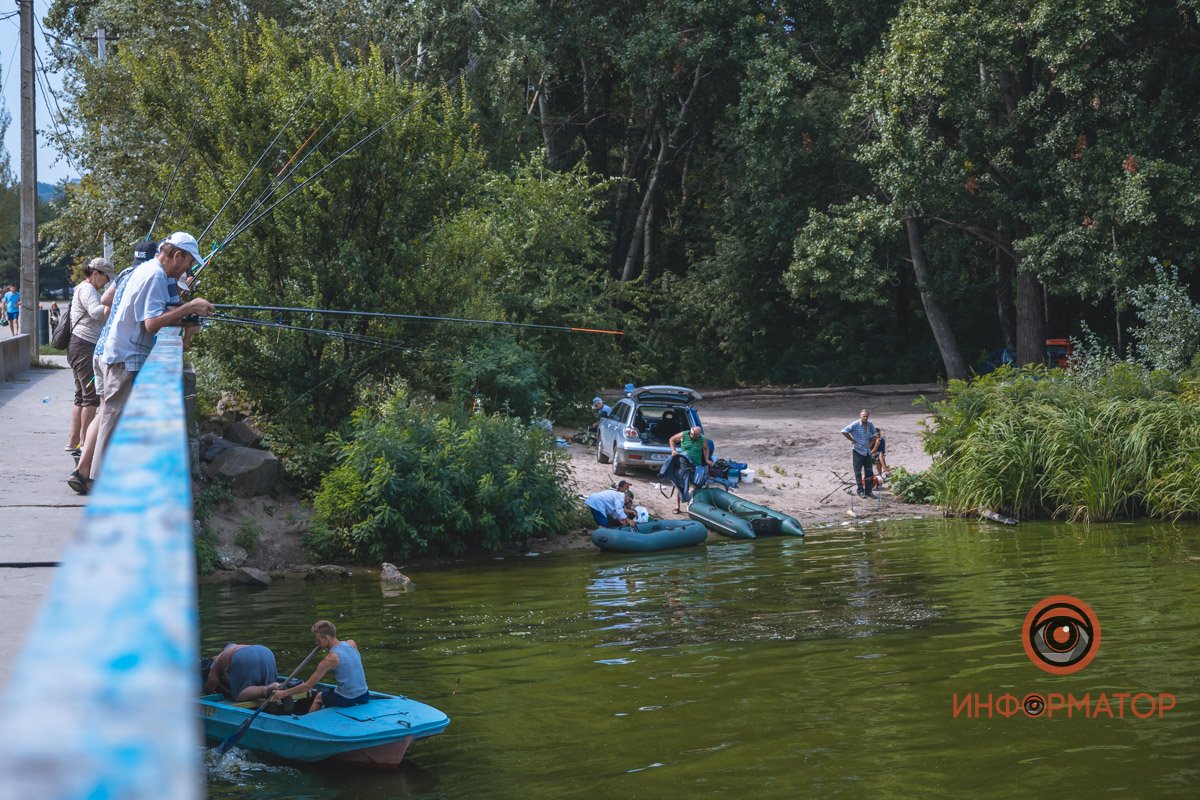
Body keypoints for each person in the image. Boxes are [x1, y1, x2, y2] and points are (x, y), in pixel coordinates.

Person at [93, 232, 213, 478]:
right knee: (114, 423)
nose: (186, 271)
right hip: (125, 358)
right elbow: (151, 323)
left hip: (122, 354)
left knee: (113, 421)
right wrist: (190, 307)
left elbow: (157, 311)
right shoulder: (156, 276)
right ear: (177, 255)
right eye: (189, 263)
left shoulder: (148, 269)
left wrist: (186, 316)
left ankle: (100, 479)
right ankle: (100, 481)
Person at [65, 258, 114, 458]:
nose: (106, 282)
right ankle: (84, 443)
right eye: (106, 278)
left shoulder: (86, 289)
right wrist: (114, 305)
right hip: (84, 346)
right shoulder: (87, 290)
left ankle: (73, 441)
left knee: (81, 396)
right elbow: (95, 312)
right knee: (90, 397)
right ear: (96, 273)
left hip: (79, 345)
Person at [271, 620, 369, 714]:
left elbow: (308, 686)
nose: (316, 643)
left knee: (319, 697)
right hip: (364, 696)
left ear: (326, 638)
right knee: (333, 691)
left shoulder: (330, 659)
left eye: (318, 640)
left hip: (347, 699)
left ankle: (307, 722)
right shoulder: (351, 643)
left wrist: (284, 693)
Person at [203, 643, 280, 702]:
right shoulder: (241, 647)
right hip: (265, 652)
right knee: (267, 682)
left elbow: (212, 681)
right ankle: (278, 686)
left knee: (239, 695)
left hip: (243, 657)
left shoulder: (219, 658)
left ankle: (266, 690)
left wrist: (206, 693)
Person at [667, 425, 710, 512]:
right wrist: (673, 450)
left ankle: (690, 504)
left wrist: (706, 459)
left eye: (698, 436)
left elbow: (706, 449)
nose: (696, 437)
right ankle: (677, 506)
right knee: (680, 485)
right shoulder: (684, 435)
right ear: (691, 433)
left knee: (696, 485)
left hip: (696, 466)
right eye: (695, 436)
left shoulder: (702, 438)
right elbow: (671, 439)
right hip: (684, 464)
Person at [841, 408, 879, 498]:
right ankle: (860, 491)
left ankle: (868, 491)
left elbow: (875, 434)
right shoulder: (855, 424)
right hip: (857, 451)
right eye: (863, 416)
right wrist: (852, 439)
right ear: (860, 416)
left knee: (869, 472)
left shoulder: (870, 424)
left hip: (867, 452)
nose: (865, 418)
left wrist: (871, 443)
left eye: (866, 416)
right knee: (858, 472)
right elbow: (843, 431)